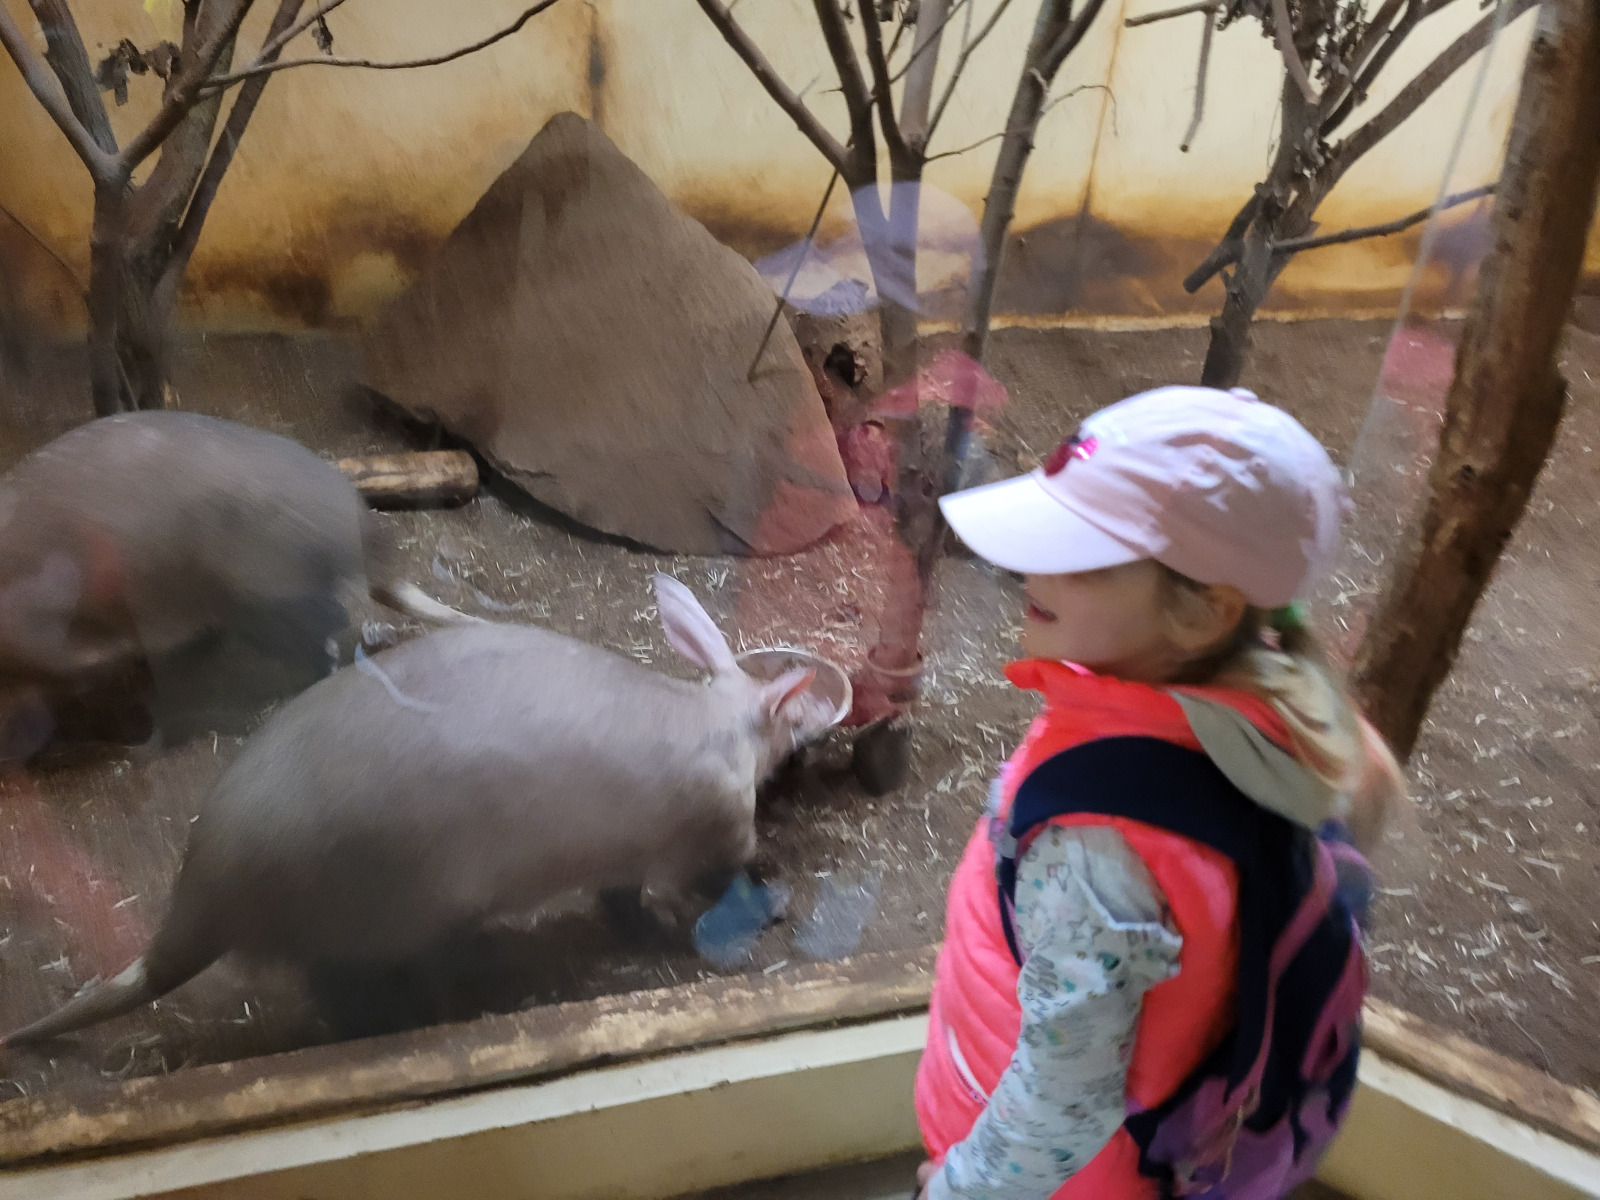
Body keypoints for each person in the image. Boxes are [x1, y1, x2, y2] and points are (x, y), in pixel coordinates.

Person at [913, 386, 1407, 1200]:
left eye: (1086, 557)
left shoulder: (1099, 841)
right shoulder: (1252, 721)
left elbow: (1062, 1103)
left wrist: (957, 1191)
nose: (1034, 567)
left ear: (1204, 613)